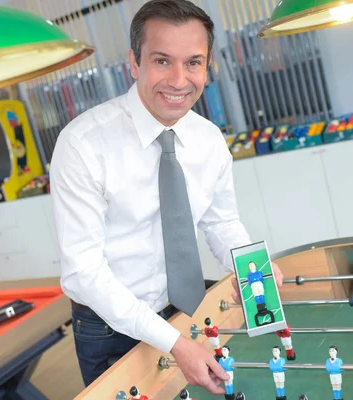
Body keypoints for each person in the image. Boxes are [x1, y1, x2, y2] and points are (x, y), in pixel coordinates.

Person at [49, 0, 283, 394]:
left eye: (193, 62)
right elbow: (84, 272)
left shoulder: (208, 139)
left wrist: (252, 268)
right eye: (162, 61)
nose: (179, 79)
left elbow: (221, 222)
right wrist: (175, 344)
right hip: (110, 326)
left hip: (186, 307)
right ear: (134, 63)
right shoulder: (82, 144)